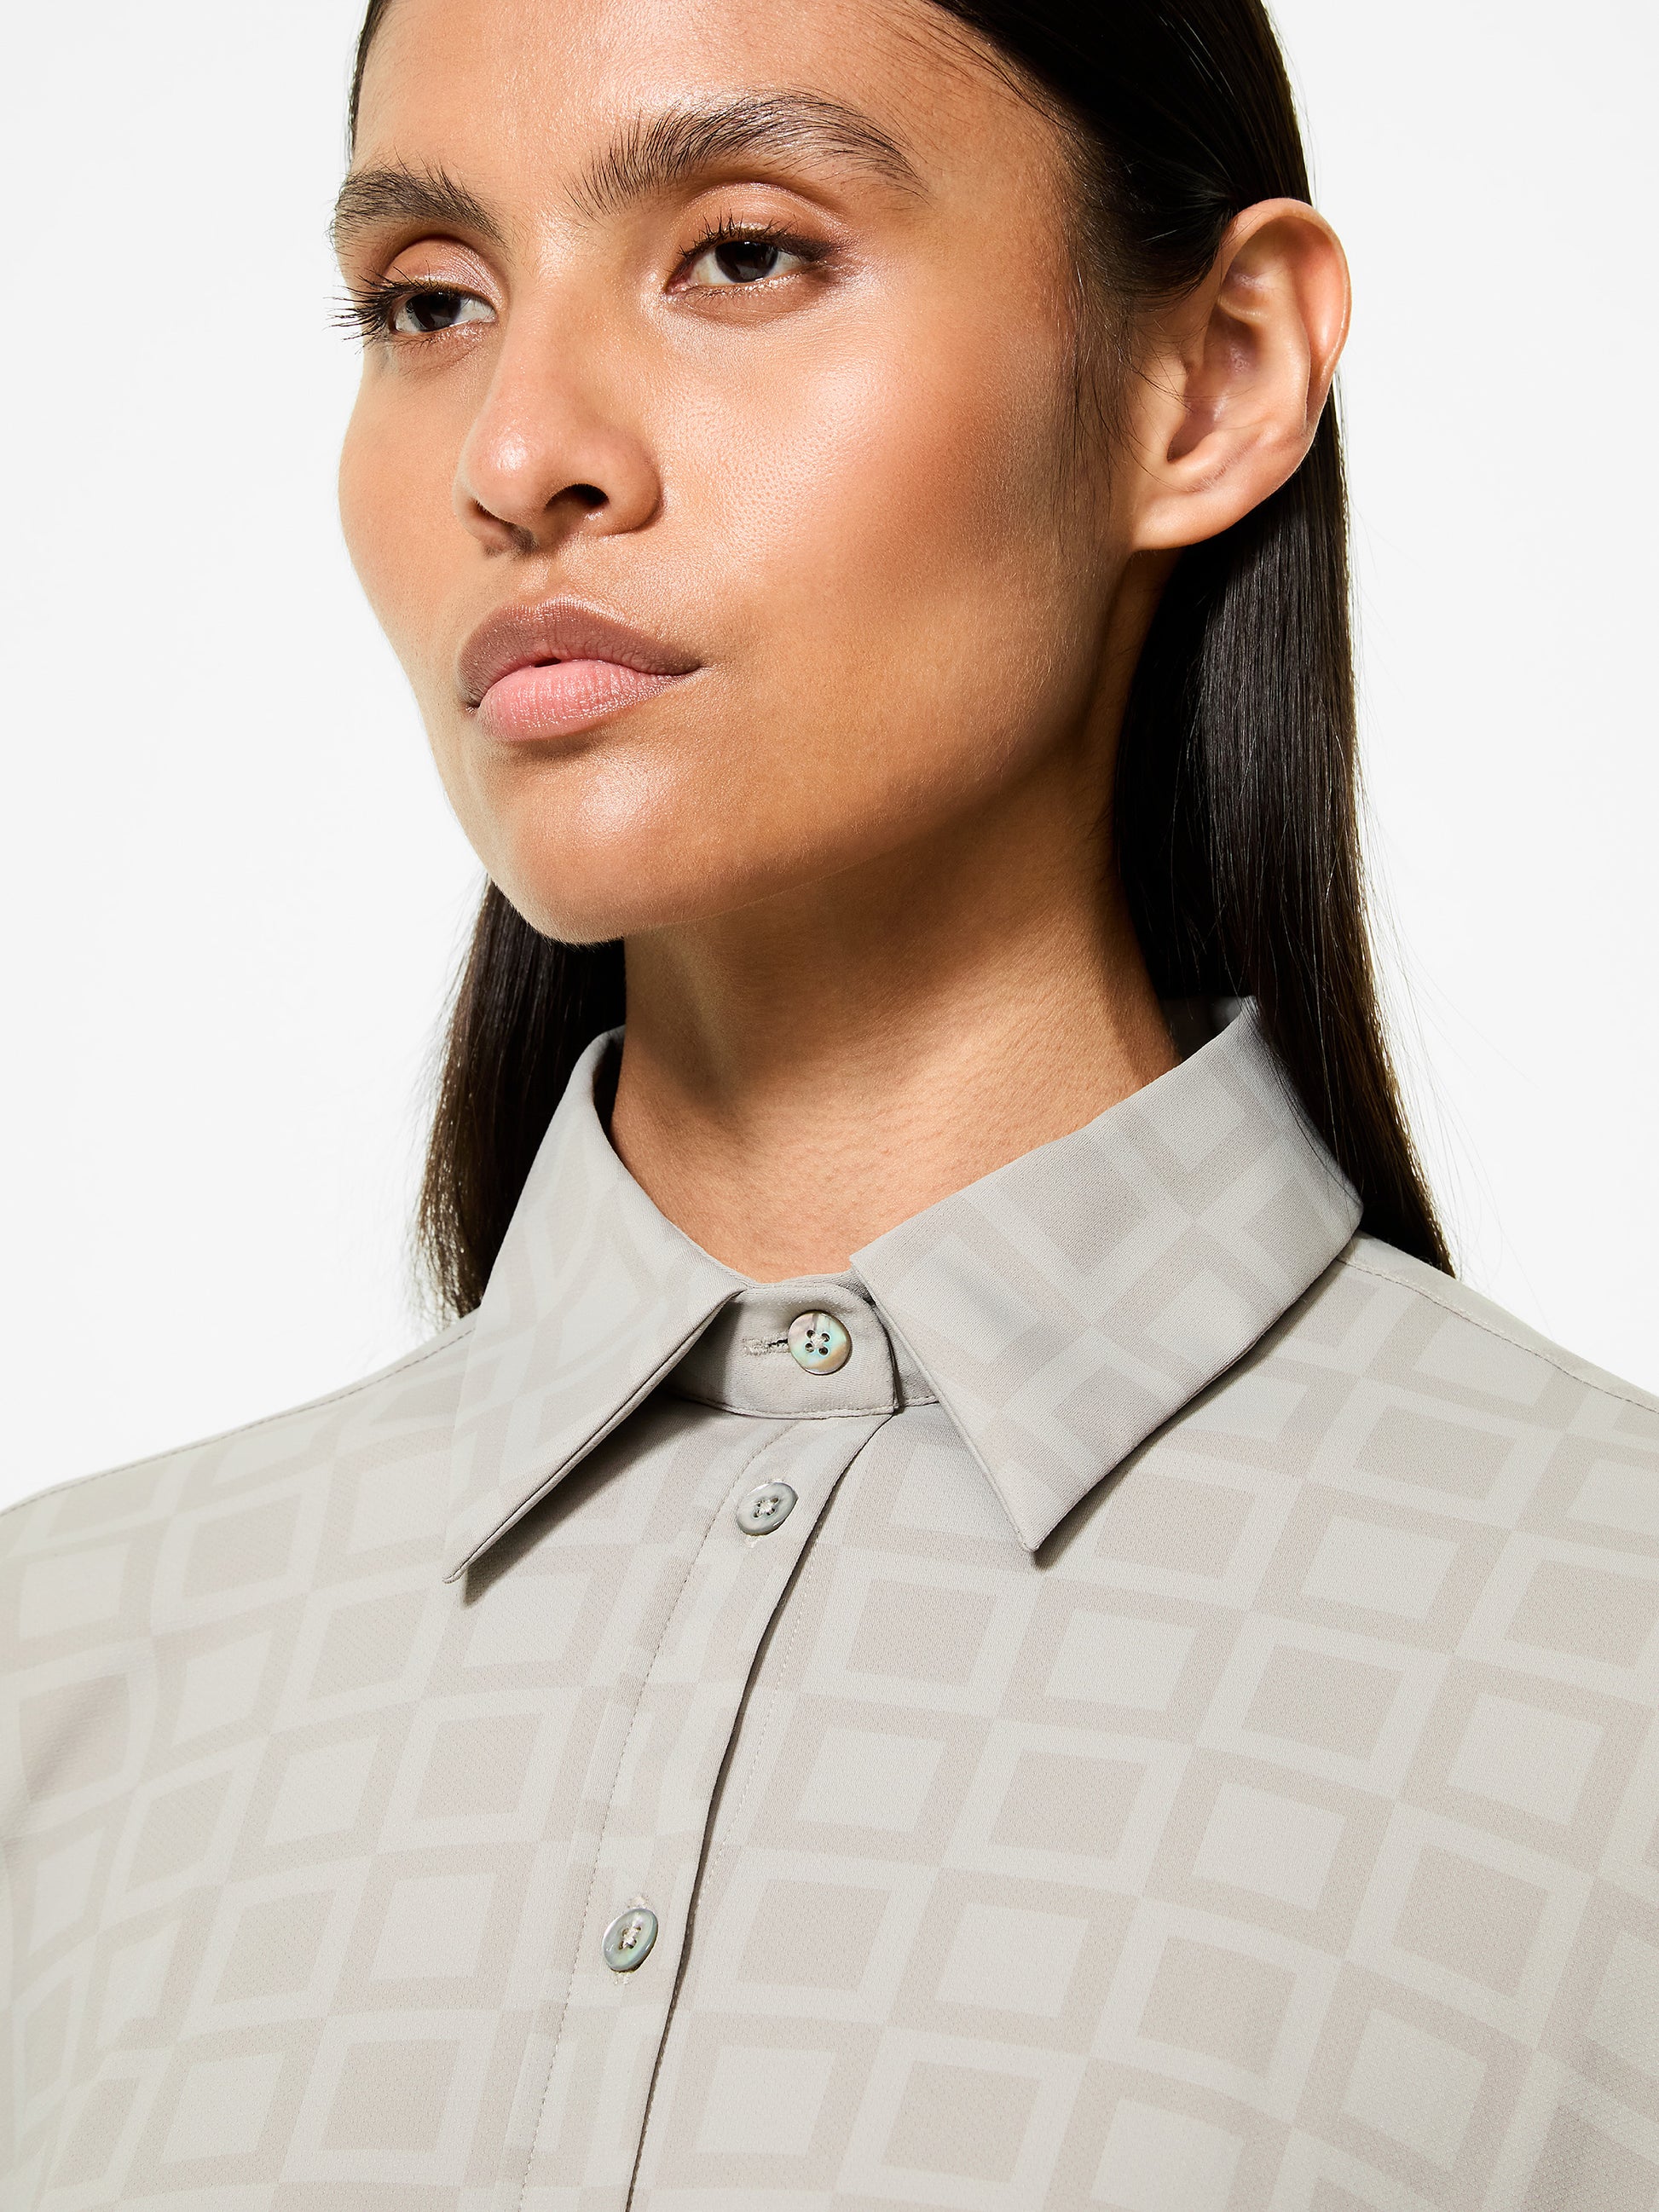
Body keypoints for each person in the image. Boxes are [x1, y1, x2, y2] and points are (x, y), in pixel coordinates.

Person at [5, 0, 1656, 2203]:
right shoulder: (61, 1675)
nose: (521, 450)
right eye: (429, 300)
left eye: (744, 253)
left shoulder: (1610, 1687)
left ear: (1215, 374)